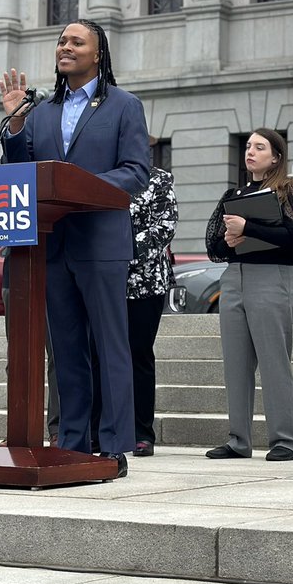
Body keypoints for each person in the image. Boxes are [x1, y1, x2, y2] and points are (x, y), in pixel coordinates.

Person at [0, 18, 149, 477]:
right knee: (65, 348)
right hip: (52, 245)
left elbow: (135, 172)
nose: (65, 47)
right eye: (61, 41)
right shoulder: (41, 110)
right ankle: (70, 440)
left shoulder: (125, 106)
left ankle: (114, 445)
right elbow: (22, 171)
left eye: (76, 41)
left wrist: (77, 186)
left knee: (110, 344)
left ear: (98, 54)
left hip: (100, 242)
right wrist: (15, 126)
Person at [203, 129, 293, 462]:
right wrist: (231, 240)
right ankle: (239, 439)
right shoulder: (233, 193)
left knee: (274, 361)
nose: (250, 151)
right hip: (234, 279)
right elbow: (214, 245)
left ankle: (285, 440)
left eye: (260, 147)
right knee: (235, 363)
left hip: (272, 277)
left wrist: (247, 228)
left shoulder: (288, 190)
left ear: (276, 156)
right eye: (249, 146)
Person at [124, 159, 178, 456]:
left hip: (145, 282)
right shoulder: (102, 173)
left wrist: (120, 249)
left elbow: (165, 226)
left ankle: (142, 433)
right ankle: (100, 429)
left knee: (138, 353)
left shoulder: (158, 179)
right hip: (103, 280)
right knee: (98, 354)